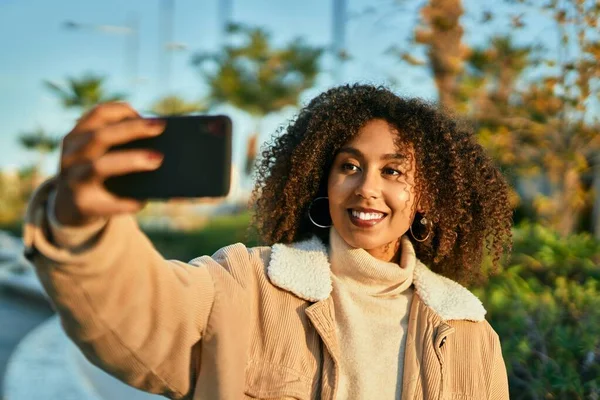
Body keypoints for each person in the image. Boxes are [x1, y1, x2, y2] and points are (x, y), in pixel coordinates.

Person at [24, 84, 513, 400]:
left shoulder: (470, 334)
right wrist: (81, 227)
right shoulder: (249, 284)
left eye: (393, 171)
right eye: (348, 166)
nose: (366, 186)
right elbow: (148, 318)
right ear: (322, 180)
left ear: (427, 195)